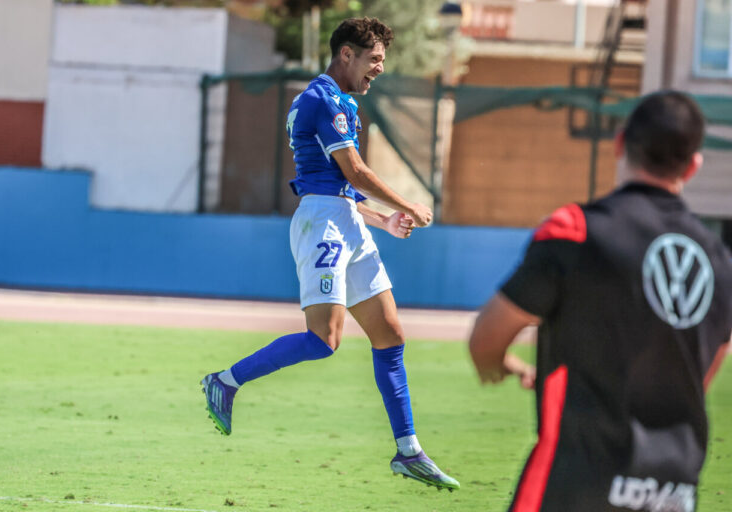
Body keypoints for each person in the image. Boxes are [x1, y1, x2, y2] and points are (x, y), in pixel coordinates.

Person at [201, 17, 459, 491]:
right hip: (323, 225)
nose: (378, 69)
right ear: (347, 54)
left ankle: (408, 451)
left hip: (344, 220)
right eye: (374, 59)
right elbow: (355, 173)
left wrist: (383, 222)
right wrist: (408, 204)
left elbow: (342, 184)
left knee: (390, 334)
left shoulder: (339, 102)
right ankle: (226, 380)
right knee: (324, 339)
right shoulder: (322, 99)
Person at [468, 90, 732, 511]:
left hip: (576, 484)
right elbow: (699, 374)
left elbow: (486, 341)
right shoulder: (720, 263)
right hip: (673, 492)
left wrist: (497, 364)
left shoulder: (574, 231)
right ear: (694, 165)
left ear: (620, 143)